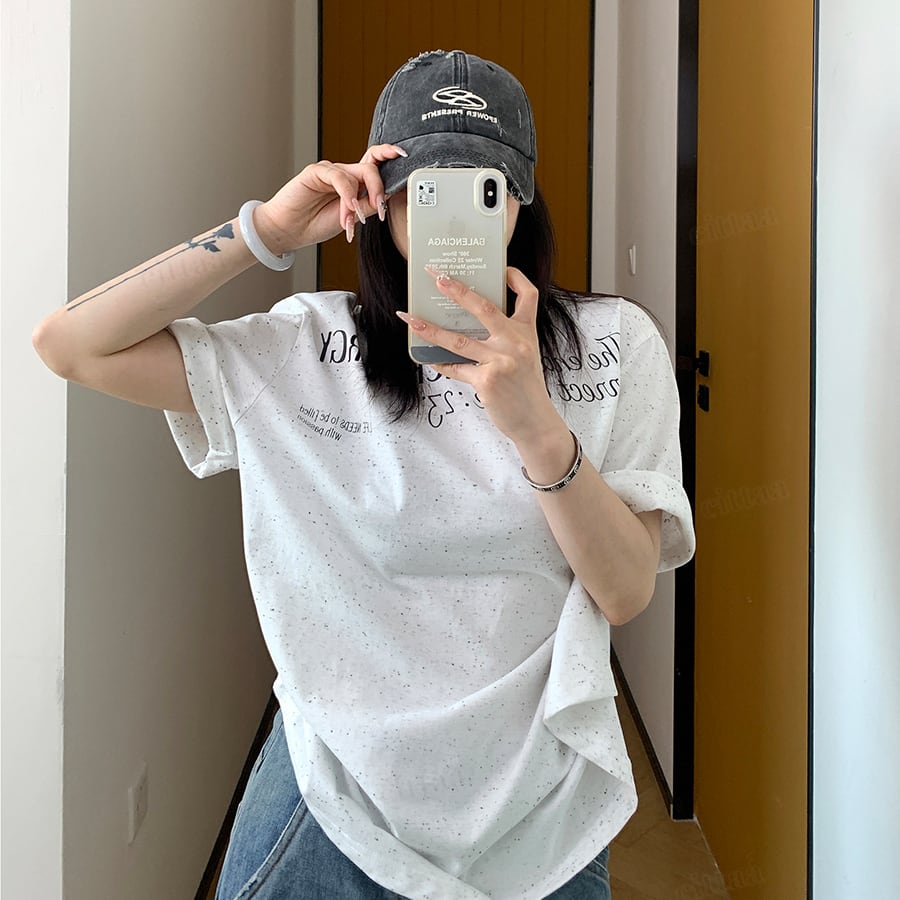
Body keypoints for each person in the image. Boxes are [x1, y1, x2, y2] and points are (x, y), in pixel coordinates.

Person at [33, 50, 695, 900]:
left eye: (482, 189)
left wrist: (535, 424)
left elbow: (626, 591)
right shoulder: (305, 349)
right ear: (378, 200)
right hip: (332, 793)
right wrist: (265, 233)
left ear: (520, 200)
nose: (449, 218)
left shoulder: (615, 347)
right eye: (422, 189)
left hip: (539, 804)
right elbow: (72, 345)